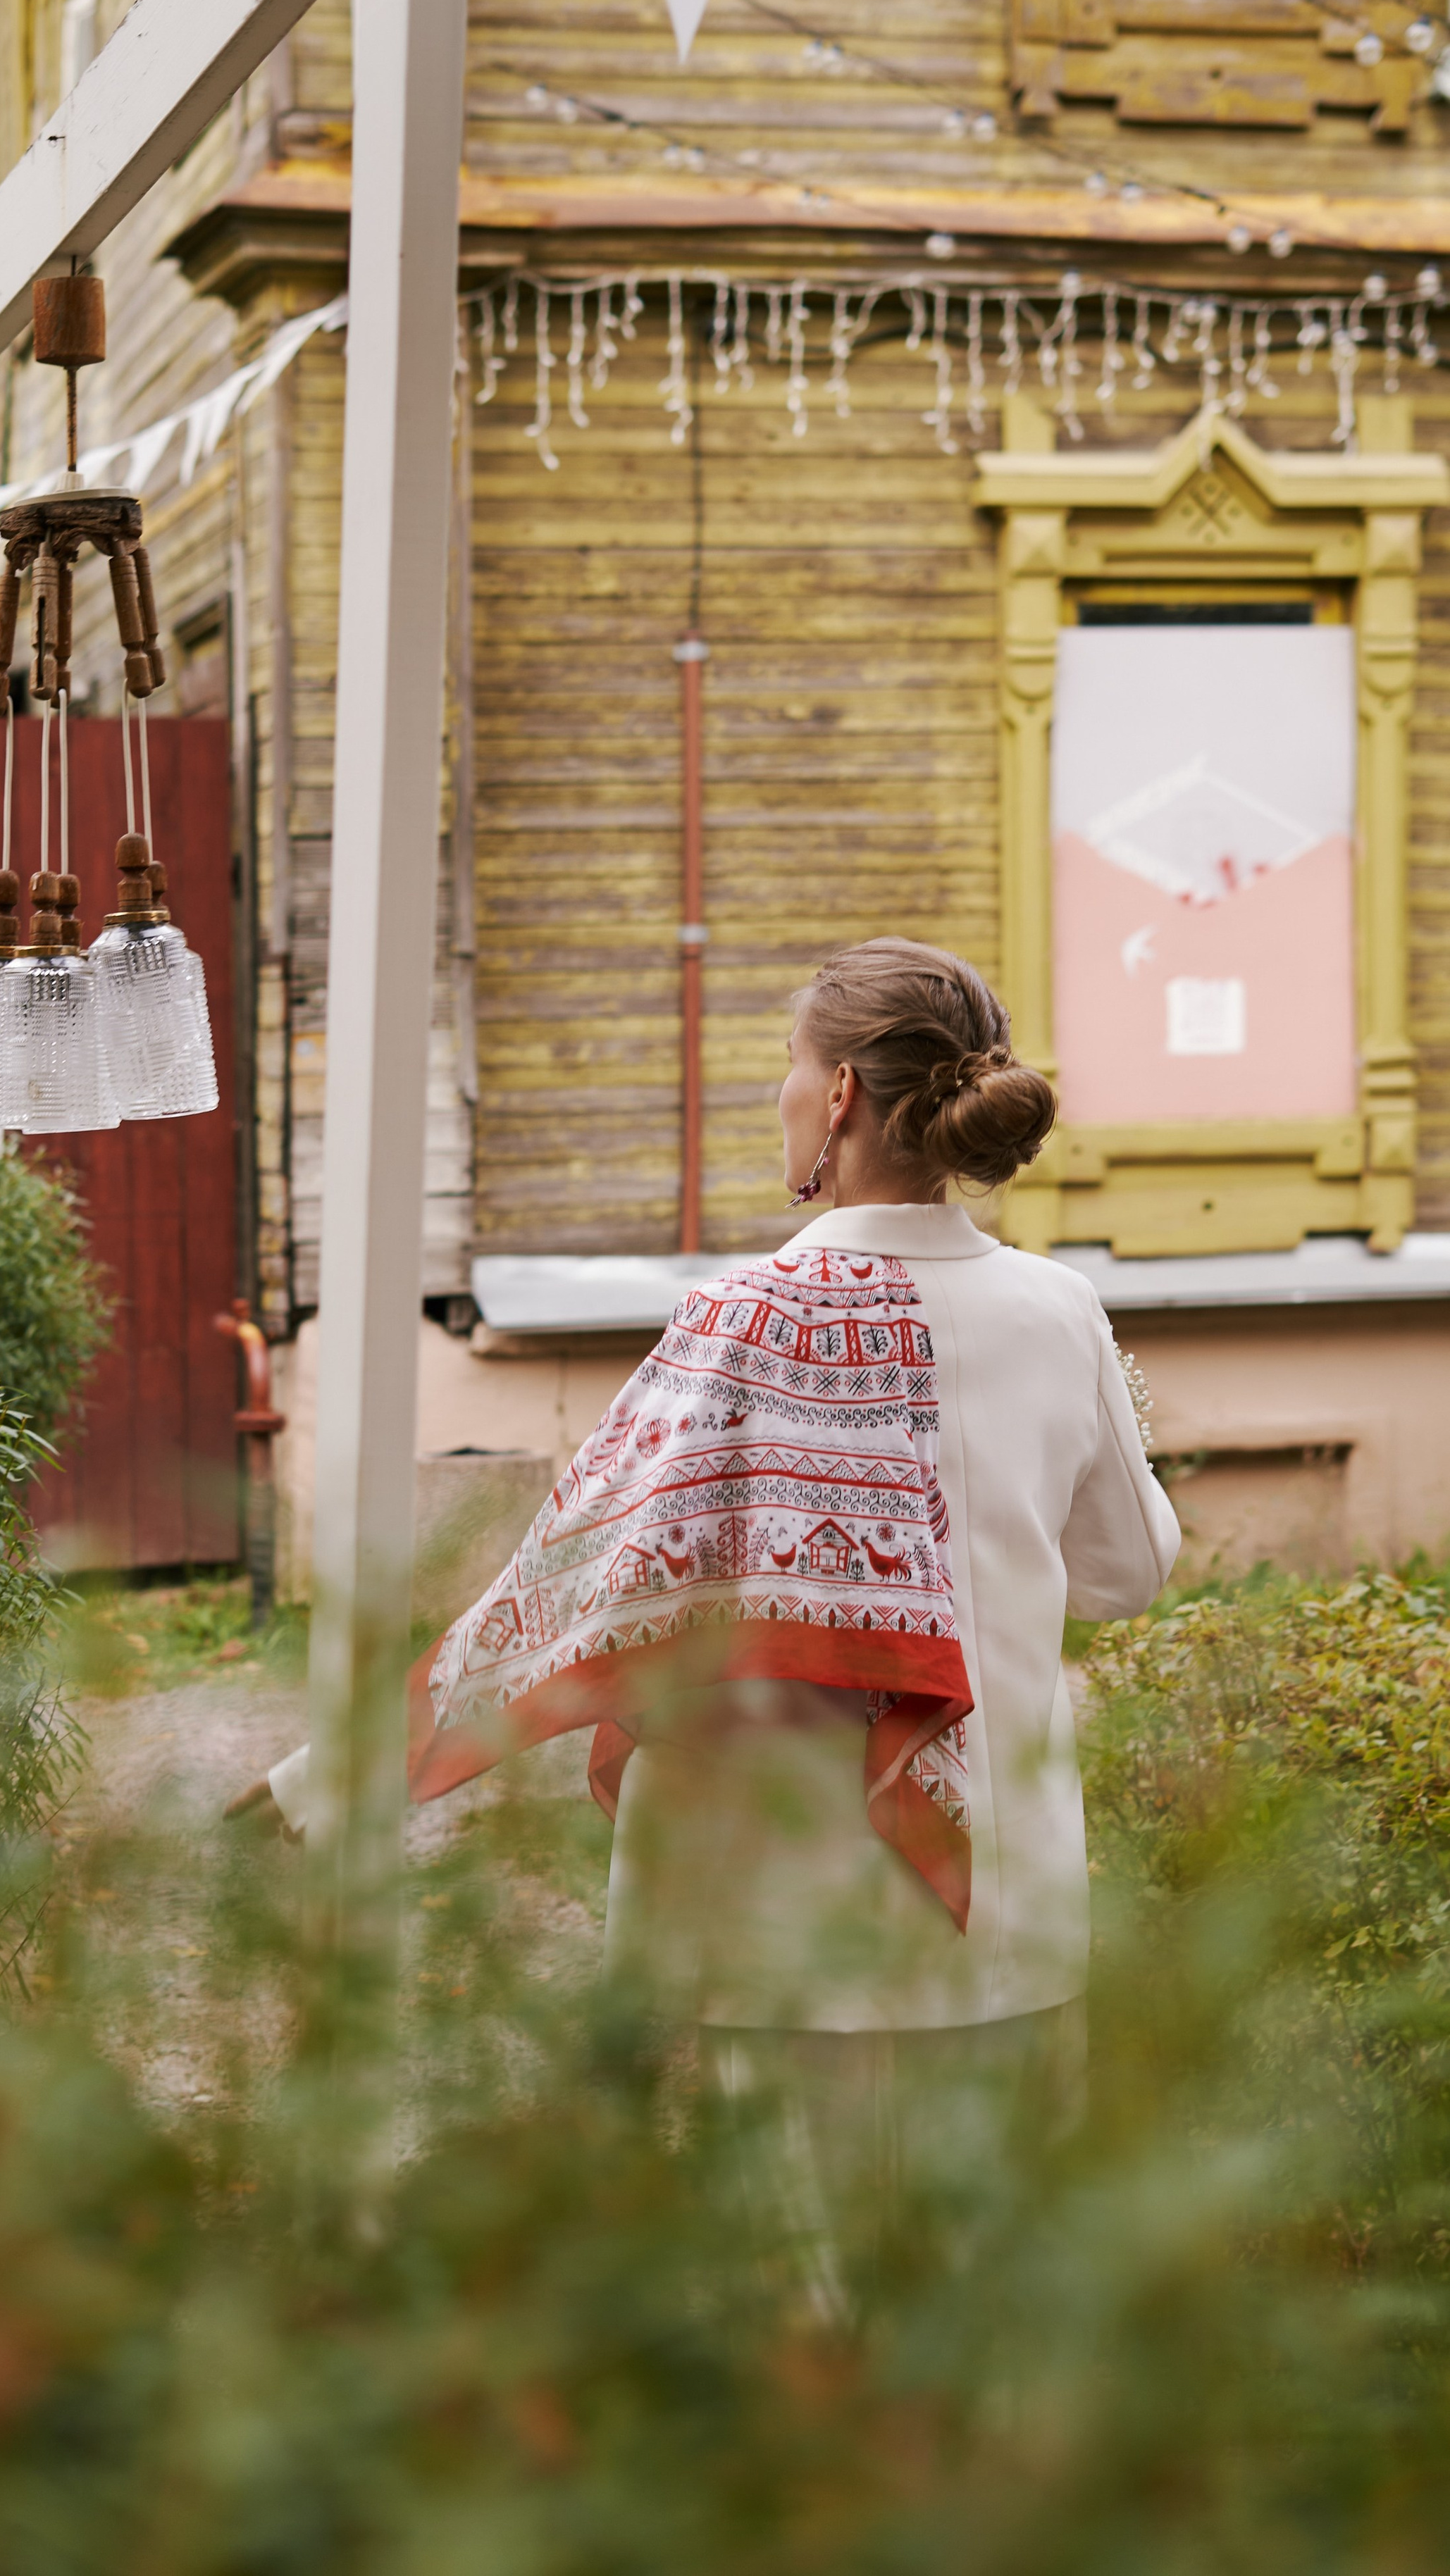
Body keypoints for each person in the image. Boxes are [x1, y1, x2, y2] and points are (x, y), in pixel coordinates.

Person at [229, 938, 1179, 2213]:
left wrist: (322, 1787)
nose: (781, 1094)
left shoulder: (739, 1329)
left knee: (808, 2320)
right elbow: (1124, 1573)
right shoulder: (1060, 1315)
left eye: (789, 1067)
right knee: (1000, 2326)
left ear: (838, 1094)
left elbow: (560, 1599)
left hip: (785, 1925)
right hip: (1012, 1915)